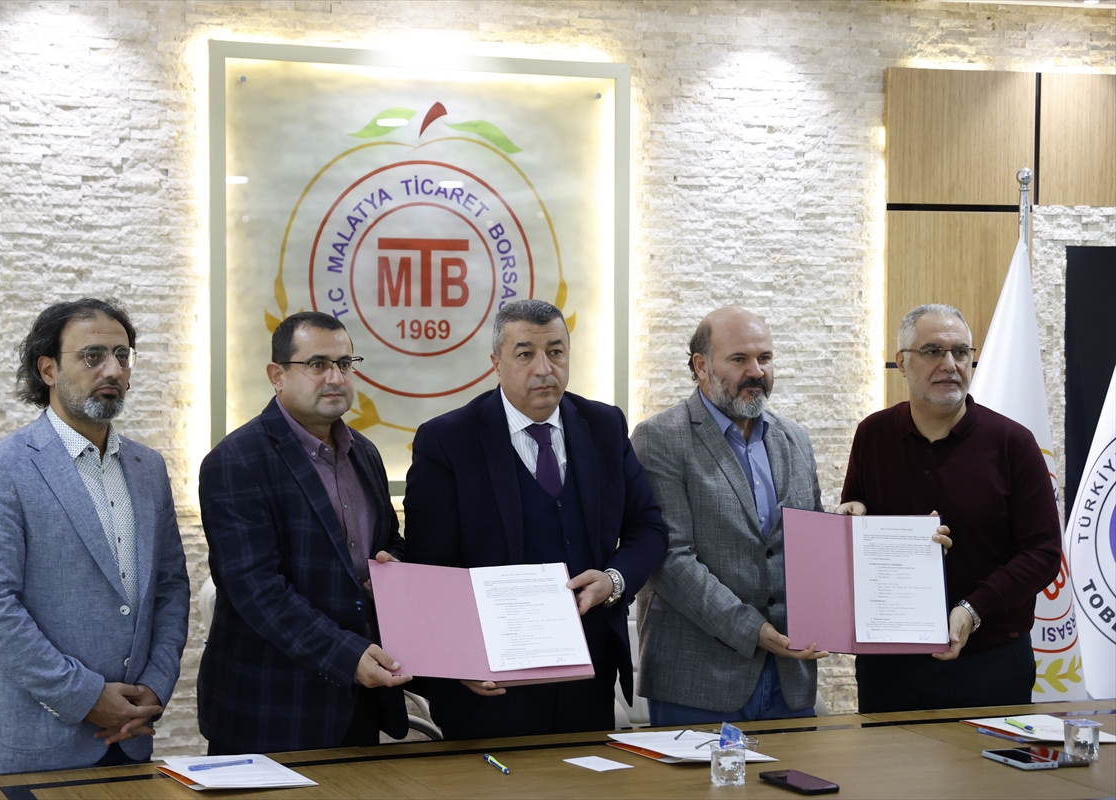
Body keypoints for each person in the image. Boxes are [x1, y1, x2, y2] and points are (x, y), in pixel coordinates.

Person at [403, 299, 668, 740]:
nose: (544, 369)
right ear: (496, 363)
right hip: (491, 685)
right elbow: (429, 569)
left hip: (588, 675)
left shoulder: (604, 426)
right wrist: (457, 660)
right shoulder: (447, 440)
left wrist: (613, 580)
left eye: (556, 352)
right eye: (525, 354)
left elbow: (649, 527)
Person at [0, 299, 190, 775]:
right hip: (35, 745)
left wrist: (155, 687)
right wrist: (85, 697)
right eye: (92, 356)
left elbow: (170, 587)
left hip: (132, 734)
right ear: (48, 370)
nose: (113, 369)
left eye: (122, 356)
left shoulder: (148, 468)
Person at [198, 311, 410, 754]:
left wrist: (392, 568)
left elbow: (388, 539)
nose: (335, 377)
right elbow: (257, 590)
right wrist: (347, 656)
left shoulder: (364, 452)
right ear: (277, 376)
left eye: (345, 364)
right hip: (273, 707)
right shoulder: (236, 461)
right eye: (317, 364)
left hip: (361, 698)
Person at [838, 303, 1060, 712]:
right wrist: (848, 522)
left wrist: (973, 610)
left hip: (991, 662)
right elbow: (855, 519)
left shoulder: (1013, 443)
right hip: (890, 665)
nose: (950, 364)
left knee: (991, 759)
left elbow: (1043, 554)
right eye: (932, 351)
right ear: (902, 362)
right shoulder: (873, 434)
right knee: (889, 758)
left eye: (960, 351)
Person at [630, 307, 828, 725]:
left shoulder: (796, 438)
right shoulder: (659, 438)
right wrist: (754, 631)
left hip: (790, 680)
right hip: (697, 682)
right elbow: (670, 561)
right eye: (739, 359)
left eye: (765, 358)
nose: (756, 371)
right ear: (701, 366)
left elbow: (813, 546)